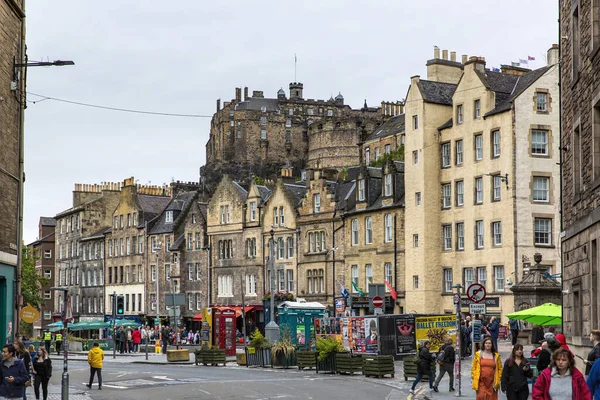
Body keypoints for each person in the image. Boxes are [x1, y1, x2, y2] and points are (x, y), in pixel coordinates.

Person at [472, 336, 503, 400]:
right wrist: (474, 376)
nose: (488, 345)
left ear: (492, 345)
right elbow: (474, 367)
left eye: (489, 343)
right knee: (481, 397)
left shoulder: (496, 356)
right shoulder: (478, 355)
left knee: (492, 398)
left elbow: (500, 368)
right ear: (483, 344)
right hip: (481, 382)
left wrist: (499, 377)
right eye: (486, 343)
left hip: (492, 382)